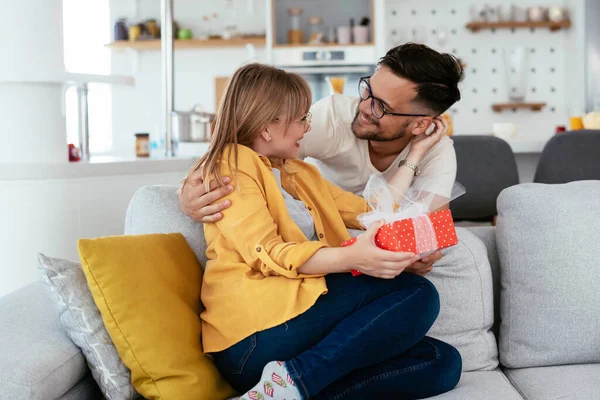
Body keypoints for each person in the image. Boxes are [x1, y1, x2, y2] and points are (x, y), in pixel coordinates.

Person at [180, 62, 462, 400]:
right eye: (300, 118)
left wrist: (414, 152)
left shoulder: (300, 174)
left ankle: (287, 389)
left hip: (297, 320)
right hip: (251, 338)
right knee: (417, 294)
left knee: (441, 361)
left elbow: (374, 213)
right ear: (269, 127)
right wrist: (350, 257)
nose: (307, 126)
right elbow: (267, 253)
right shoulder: (233, 164)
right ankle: (296, 382)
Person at [179, 43, 464, 277]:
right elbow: (244, 148)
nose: (364, 107)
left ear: (419, 125)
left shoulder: (436, 151)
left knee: (422, 304)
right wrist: (188, 192)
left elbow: (424, 227)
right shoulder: (329, 120)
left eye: (381, 106)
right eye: (366, 90)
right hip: (327, 253)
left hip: (350, 241)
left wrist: (418, 254)